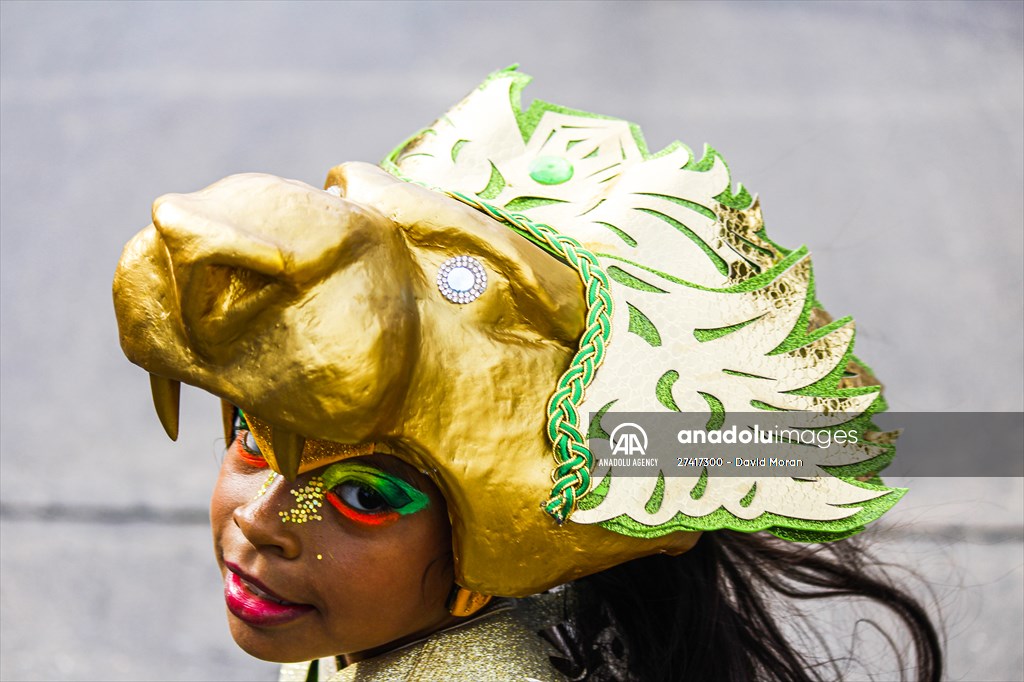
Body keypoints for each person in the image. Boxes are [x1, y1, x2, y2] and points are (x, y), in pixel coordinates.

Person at [113, 67, 942, 680]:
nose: (265, 519)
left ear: (491, 558)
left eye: (363, 496)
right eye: (255, 441)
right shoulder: (379, 630)